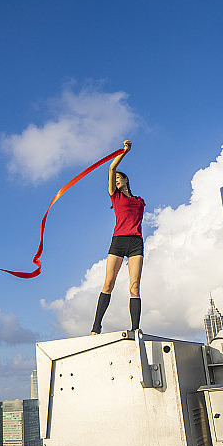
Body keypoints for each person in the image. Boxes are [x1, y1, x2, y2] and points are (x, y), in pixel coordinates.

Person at [91, 140, 145, 334]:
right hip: (118, 241)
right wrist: (125, 151)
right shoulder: (115, 196)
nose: (115, 181)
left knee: (134, 287)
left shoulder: (140, 201)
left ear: (126, 180)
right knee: (108, 284)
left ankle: (136, 329)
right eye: (114, 180)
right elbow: (111, 168)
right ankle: (96, 327)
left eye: (118, 179)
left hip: (136, 243)